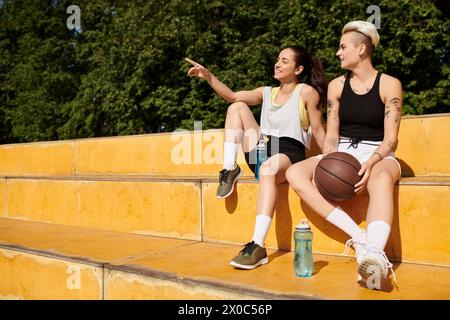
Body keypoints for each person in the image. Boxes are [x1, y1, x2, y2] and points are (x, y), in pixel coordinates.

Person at [186, 46, 327, 269]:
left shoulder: (306, 92)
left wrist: (331, 158)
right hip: (262, 150)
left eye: (284, 61)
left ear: (298, 69)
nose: (277, 64)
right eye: (277, 60)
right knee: (237, 106)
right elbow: (231, 96)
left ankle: (257, 245)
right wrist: (208, 76)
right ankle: (229, 168)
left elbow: (318, 131)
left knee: (269, 168)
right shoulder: (266, 92)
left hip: (289, 153)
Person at [286, 21, 403, 288]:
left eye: (342, 47)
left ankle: (375, 256)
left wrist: (371, 162)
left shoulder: (390, 84)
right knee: (295, 173)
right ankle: (360, 238)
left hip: (379, 153)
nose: (338, 53)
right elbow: (331, 134)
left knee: (381, 179)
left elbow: (391, 138)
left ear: (362, 49)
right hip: (343, 152)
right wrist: (327, 158)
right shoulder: (337, 86)